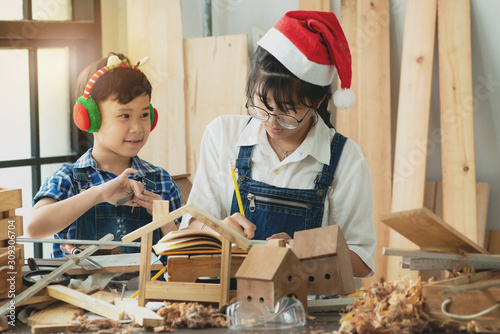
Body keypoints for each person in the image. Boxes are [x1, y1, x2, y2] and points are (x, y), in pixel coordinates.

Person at [181, 11, 376, 278]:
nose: (272, 122)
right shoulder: (222, 135)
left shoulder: (345, 159)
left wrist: (306, 250)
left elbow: (362, 260)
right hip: (231, 298)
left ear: (317, 101)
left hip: (309, 308)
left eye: (287, 111)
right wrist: (215, 231)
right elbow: (190, 226)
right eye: (262, 105)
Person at [28, 53, 182, 258]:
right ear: (90, 118)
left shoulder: (161, 180)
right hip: (78, 290)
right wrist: (99, 194)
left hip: (148, 290)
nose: (137, 128)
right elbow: (33, 228)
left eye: (144, 115)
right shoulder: (68, 179)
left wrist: (165, 219)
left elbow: (181, 256)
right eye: (124, 116)